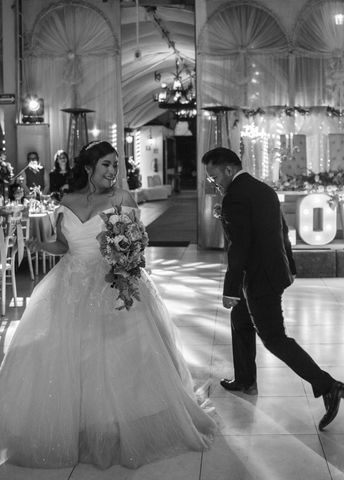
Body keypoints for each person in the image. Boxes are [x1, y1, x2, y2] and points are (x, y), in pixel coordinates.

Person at [0, 141, 215, 469]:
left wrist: (128, 262)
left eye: (116, 165)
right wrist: (37, 243)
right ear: (88, 168)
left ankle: (122, 423)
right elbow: (62, 245)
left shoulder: (122, 199)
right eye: (106, 165)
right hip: (70, 284)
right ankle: (80, 423)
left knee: (118, 357)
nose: (114, 171)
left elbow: (135, 243)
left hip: (113, 283)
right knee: (72, 355)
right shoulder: (66, 201)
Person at [202, 147, 344, 431]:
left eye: (215, 176)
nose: (214, 182)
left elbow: (239, 247)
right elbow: (283, 231)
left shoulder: (235, 198)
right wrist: (290, 265)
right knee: (240, 322)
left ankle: (328, 386)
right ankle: (245, 379)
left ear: (229, 170)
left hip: (257, 278)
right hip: (272, 271)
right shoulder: (263, 189)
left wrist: (230, 288)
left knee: (274, 338)